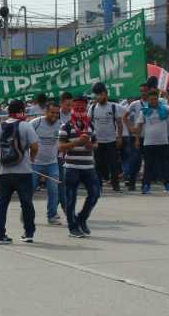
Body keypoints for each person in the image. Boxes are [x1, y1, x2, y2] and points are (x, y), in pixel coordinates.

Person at [0, 99, 39, 244]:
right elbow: (34, 146)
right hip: (23, 172)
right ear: (21, 111)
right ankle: (28, 233)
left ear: (8, 112)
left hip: (3, 172)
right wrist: (31, 159)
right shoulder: (26, 126)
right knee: (26, 203)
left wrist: (0, 157)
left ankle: (0, 235)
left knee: (2, 203)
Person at [59, 96, 99, 238]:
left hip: (89, 166)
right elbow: (61, 147)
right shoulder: (66, 126)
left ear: (86, 108)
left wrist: (91, 145)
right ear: (72, 109)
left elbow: (95, 143)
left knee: (95, 194)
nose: (80, 110)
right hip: (72, 167)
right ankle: (72, 228)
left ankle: (81, 219)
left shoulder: (90, 125)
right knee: (71, 198)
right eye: (77, 107)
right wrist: (77, 143)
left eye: (83, 107)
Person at [29, 101, 63, 225]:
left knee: (54, 191)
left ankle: (52, 216)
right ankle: (26, 212)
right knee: (29, 191)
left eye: (57, 113)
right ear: (46, 112)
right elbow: (24, 138)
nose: (54, 115)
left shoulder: (60, 125)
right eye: (52, 112)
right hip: (34, 164)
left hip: (52, 163)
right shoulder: (35, 123)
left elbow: (64, 142)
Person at [136, 90, 169, 194]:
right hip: (148, 142)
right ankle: (146, 186)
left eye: (155, 99)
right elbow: (139, 126)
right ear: (148, 100)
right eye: (151, 99)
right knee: (148, 166)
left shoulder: (164, 108)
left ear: (158, 99)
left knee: (164, 165)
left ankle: (167, 185)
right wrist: (137, 139)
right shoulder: (144, 111)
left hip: (163, 142)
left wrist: (168, 97)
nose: (153, 101)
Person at [88, 83, 124, 192]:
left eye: (101, 94)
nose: (99, 97)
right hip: (98, 141)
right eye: (97, 95)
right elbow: (88, 123)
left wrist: (119, 137)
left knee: (113, 164)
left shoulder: (113, 107)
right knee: (99, 164)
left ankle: (115, 184)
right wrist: (90, 138)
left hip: (111, 141)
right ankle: (99, 185)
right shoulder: (93, 108)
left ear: (106, 94)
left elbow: (119, 123)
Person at [123, 83, 149, 191]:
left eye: (145, 91)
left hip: (149, 137)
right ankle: (131, 182)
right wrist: (130, 128)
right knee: (135, 160)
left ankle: (145, 184)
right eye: (141, 91)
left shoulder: (154, 102)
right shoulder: (135, 104)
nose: (143, 93)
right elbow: (124, 117)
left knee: (148, 162)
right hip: (136, 137)